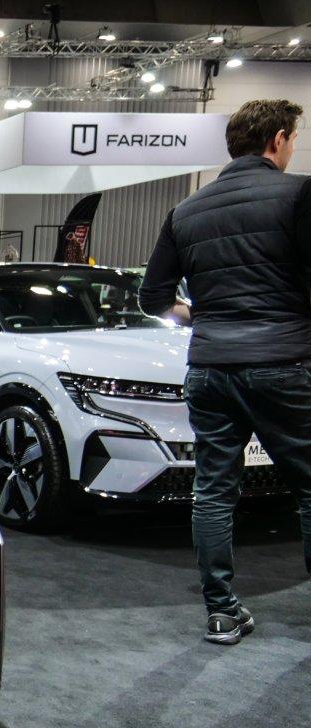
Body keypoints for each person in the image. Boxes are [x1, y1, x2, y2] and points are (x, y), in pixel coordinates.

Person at [139, 98, 311, 645]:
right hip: (284, 363)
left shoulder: (186, 210)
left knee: (213, 492)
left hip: (210, 369)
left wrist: (205, 316)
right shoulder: (300, 193)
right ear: (278, 139)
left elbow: (152, 298)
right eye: (294, 139)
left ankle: (221, 612)